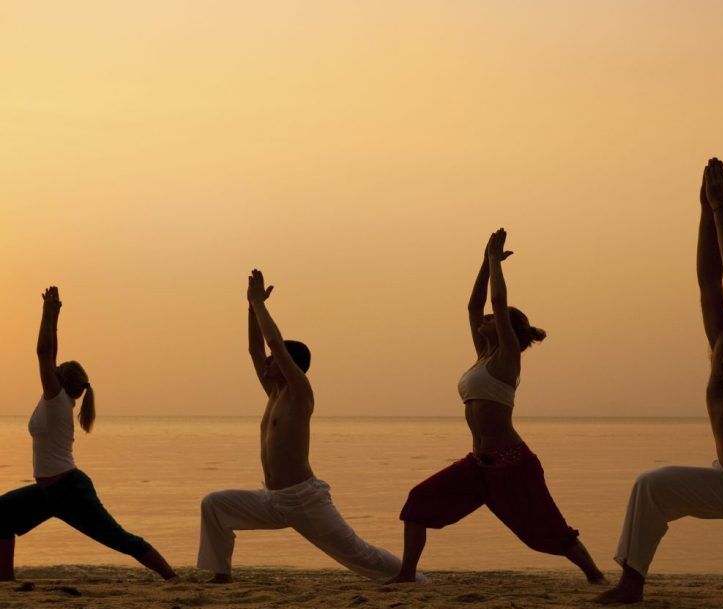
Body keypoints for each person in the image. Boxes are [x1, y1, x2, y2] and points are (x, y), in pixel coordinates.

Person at [389, 229, 606, 583]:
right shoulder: (482, 356)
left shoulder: (507, 357)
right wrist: (483, 261)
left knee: (548, 531)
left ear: (508, 331)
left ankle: (595, 576)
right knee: (418, 502)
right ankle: (407, 575)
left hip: (512, 465)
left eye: (492, 320)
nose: (484, 319)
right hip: (478, 465)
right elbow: (474, 306)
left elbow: (498, 304)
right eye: (485, 320)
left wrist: (495, 263)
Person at [597, 158, 723, 604]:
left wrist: (721, 209)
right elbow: (709, 282)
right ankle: (630, 585)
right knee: (652, 486)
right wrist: (703, 211)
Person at [197, 269, 421, 583]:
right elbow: (255, 349)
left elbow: (272, 341)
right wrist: (250, 307)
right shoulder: (274, 394)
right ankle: (221, 575)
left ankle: (412, 579)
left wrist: (260, 304)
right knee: (215, 505)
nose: (267, 363)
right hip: (273, 499)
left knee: (357, 553)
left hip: (302, 498)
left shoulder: (300, 393)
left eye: (275, 360)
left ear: (289, 364)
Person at [0, 287, 177, 582]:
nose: (51, 368)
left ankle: (171, 578)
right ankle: (4, 581)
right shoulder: (56, 400)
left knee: (118, 538)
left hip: (69, 491)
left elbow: (43, 353)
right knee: (1, 514)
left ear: (61, 381)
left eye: (57, 369)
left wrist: (46, 313)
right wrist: (55, 315)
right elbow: (51, 353)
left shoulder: (56, 401)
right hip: (49, 492)